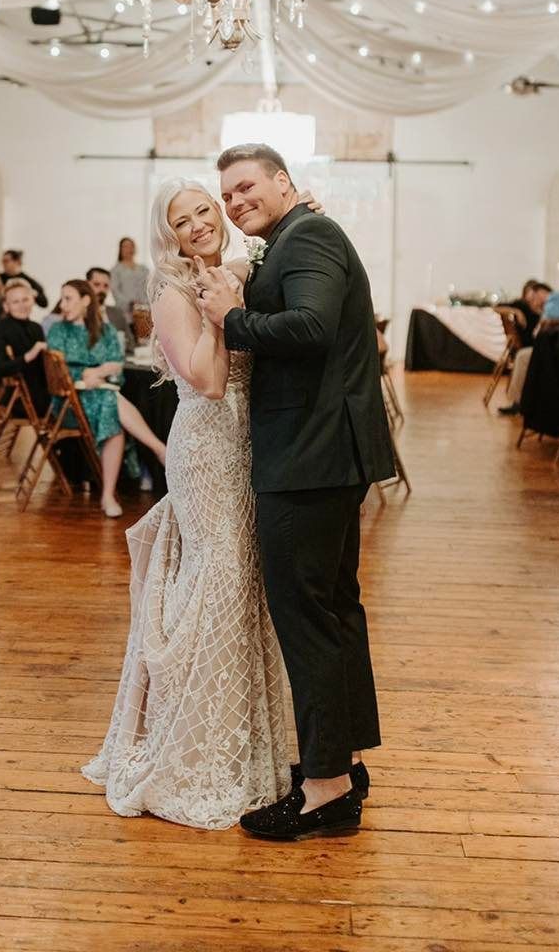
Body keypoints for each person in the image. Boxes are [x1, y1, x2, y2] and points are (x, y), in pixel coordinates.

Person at [194, 143, 392, 841]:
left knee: (307, 615)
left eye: (247, 186)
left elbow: (309, 329)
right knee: (334, 611)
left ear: (285, 183)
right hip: (323, 450)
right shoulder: (298, 234)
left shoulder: (308, 234)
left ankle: (324, 789)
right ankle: (341, 762)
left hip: (309, 454)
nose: (236, 200)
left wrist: (229, 319)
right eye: (228, 194)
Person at [82, 182, 291, 827]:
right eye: (183, 219)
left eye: (205, 209)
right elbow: (204, 379)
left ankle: (249, 739)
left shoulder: (233, 269)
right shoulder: (173, 292)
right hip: (205, 450)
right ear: (167, 232)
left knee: (245, 583)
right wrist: (219, 310)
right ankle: (196, 748)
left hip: (248, 446)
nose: (200, 223)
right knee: (219, 579)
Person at [47, 280, 166, 518]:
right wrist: (83, 375)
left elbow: (117, 368)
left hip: (103, 396)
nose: (63, 305)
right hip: (70, 404)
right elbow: (56, 373)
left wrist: (99, 374)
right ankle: (158, 449)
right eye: (62, 299)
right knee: (110, 401)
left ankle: (108, 495)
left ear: (86, 301)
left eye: (68, 298)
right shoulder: (58, 331)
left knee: (109, 405)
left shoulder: (107, 331)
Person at [0, 278, 48, 415]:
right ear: (6, 306)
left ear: (32, 300)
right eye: (16, 302)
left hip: (41, 393)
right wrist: (29, 356)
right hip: (22, 399)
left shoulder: (36, 328)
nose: (22, 305)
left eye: (25, 299)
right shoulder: (0, 329)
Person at [497, 281, 552, 416]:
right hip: (525, 347)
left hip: (536, 346)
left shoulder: (546, 310)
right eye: (532, 293)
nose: (534, 297)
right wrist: (516, 311)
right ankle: (519, 402)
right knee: (524, 356)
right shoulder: (522, 305)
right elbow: (496, 307)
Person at [86, 266, 133, 352]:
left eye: (106, 286)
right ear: (86, 285)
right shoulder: (79, 313)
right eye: (96, 284)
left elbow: (130, 344)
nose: (102, 289)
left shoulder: (117, 313)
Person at [111, 238, 149, 323]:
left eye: (131, 246)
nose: (129, 249)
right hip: (125, 313)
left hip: (144, 313)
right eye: (125, 246)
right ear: (120, 250)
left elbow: (149, 288)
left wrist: (144, 304)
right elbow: (115, 290)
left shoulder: (144, 269)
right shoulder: (116, 270)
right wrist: (130, 303)